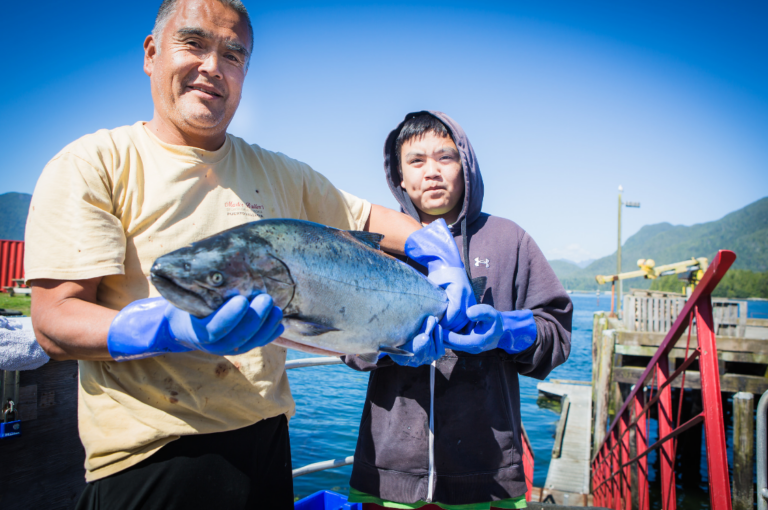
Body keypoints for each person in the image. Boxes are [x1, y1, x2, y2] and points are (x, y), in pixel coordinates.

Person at [23, 2, 476, 508]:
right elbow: (54, 320)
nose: (213, 66)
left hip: (267, 443)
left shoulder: (281, 172)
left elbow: (371, 221)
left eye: (233, 54)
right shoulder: (95, 163)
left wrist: (438, 255)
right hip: (153, 456)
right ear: (152, 53)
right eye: (193, 43)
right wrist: (167, 330)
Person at [344, 111, 573, 510]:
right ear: (399, 176)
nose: (431, 172)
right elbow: (345, 339)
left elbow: (556, 331)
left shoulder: (509, 240)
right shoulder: (375, 248)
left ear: (465, 166)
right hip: (389, 472)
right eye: (416, 161)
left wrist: (506, 331)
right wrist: (388, 345)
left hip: (488, 474)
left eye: (444, 157)